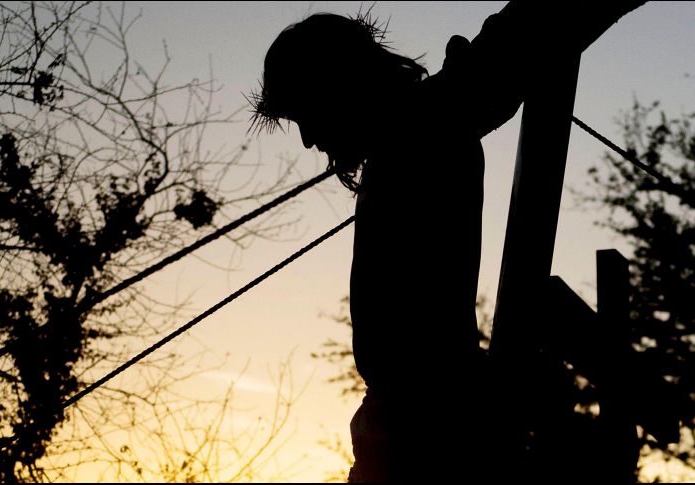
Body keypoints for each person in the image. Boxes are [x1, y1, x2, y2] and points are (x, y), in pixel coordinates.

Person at [249, 2, 644, 481]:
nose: (309, 140)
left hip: (426, 445)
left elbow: (526, 29)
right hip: (403, 439)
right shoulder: (405, 141)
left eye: (305, 113)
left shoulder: (428, 120)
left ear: (338, 85)